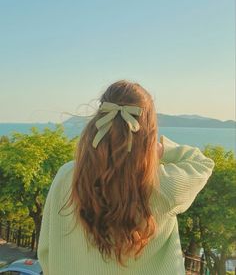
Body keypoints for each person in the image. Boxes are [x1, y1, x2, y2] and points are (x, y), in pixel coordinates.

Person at [38, 80, 215, 275]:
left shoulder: (67, 176)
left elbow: (46, 249)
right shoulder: (162, 183)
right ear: (149, 133)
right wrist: (161, 148)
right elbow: (203, 164)